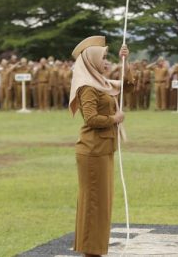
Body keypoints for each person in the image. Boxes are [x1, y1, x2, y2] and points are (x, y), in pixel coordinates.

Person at [70, 36, 126, 257]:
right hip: (93, 151)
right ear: (92, 61)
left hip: (103, 149)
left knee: (102, 203)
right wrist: (115, 118)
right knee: (94, 203)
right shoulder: (87, 87)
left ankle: (95, 250)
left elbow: (128, 85)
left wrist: (125, 61)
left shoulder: (102, 83)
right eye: (103, 58)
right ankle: (91, 251)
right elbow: (91, 118)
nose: (107, 62)